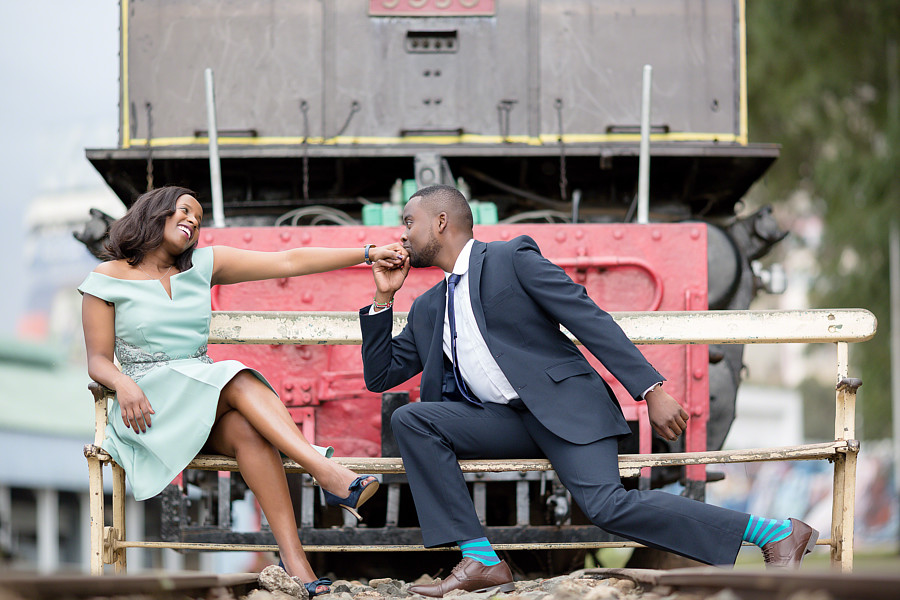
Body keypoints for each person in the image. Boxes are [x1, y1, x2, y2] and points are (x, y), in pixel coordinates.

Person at [359, 184, 819, 597]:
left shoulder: (510, 259)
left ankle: (775, 532)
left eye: (408, 222)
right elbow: (380, 376)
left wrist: (651, 388)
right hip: (503, 421)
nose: (401, 235)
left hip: (566, 408)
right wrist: (383, 299)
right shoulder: (427, 306)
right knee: (411, 419)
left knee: (607, 507)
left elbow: (587, 317)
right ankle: (481, 557)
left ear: (441, 222)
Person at [80, 186, 400, 595]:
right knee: (236, 374)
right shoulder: (106, 278)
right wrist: (122, 384)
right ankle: (326, 472)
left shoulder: (203, 264)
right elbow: (97, 360)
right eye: (184, 211)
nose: (194, 221)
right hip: (147, 408)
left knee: (250, 432)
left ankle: (297, 565)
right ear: (154, 213)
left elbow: (288, 260)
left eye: (199, 217)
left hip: (200, 399)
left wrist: (367, 252)